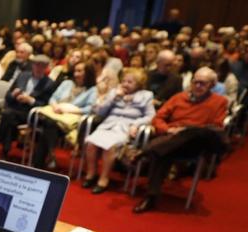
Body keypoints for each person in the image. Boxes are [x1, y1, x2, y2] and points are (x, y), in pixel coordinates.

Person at [133, 67, 228, 213]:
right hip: (170, 139)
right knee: (162, 153)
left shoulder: (219, 101)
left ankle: (146, 151)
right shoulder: (179, 97)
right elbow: (158, 118)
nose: (197, 86)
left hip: (194, 143)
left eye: (203, 83)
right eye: (195, 82)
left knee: (194, 132)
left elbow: (216, 126)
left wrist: (186, 130)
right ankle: (151, 197)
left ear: (212, 85)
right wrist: (168, 129)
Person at [83, 67, 155, 194]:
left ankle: (103, 179)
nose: (125, 84)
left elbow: (150, 116)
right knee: (91, 144)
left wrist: (136, 124)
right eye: (124, 81)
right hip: (107, 126)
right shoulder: (114, 92)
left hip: (126, 129)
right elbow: (100, 111)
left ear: (138, 84)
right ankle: (91, 174)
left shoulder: (146, 96)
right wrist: (114, 97)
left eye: (130, 82)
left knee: (110, 147)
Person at [0, 54, 56, 160]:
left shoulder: (49, 83)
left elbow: (46, 105)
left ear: (46, 68)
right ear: (32, 65)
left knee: (7, 115)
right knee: (9, 118)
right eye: (37, 65)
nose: (39, 68)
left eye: (42, 66)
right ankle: (4, 151)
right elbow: (8, 95)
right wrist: (14, 95)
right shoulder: (23, 76)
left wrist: (30, 100)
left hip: (31, 112)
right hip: (15, 108)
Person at [31, 61, 97, 168]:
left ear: (88, 73)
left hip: (69, 121)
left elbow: (89, 109)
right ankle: (50, 156)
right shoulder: (67, 83)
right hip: (54, 114)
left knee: (48, 126)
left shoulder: (92, 90)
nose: (76, 74)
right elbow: (53, 98)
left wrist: (67, 110)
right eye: (75, 70)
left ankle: (39, 162)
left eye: (80, 71)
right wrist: (55, 106)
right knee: (50, 125)